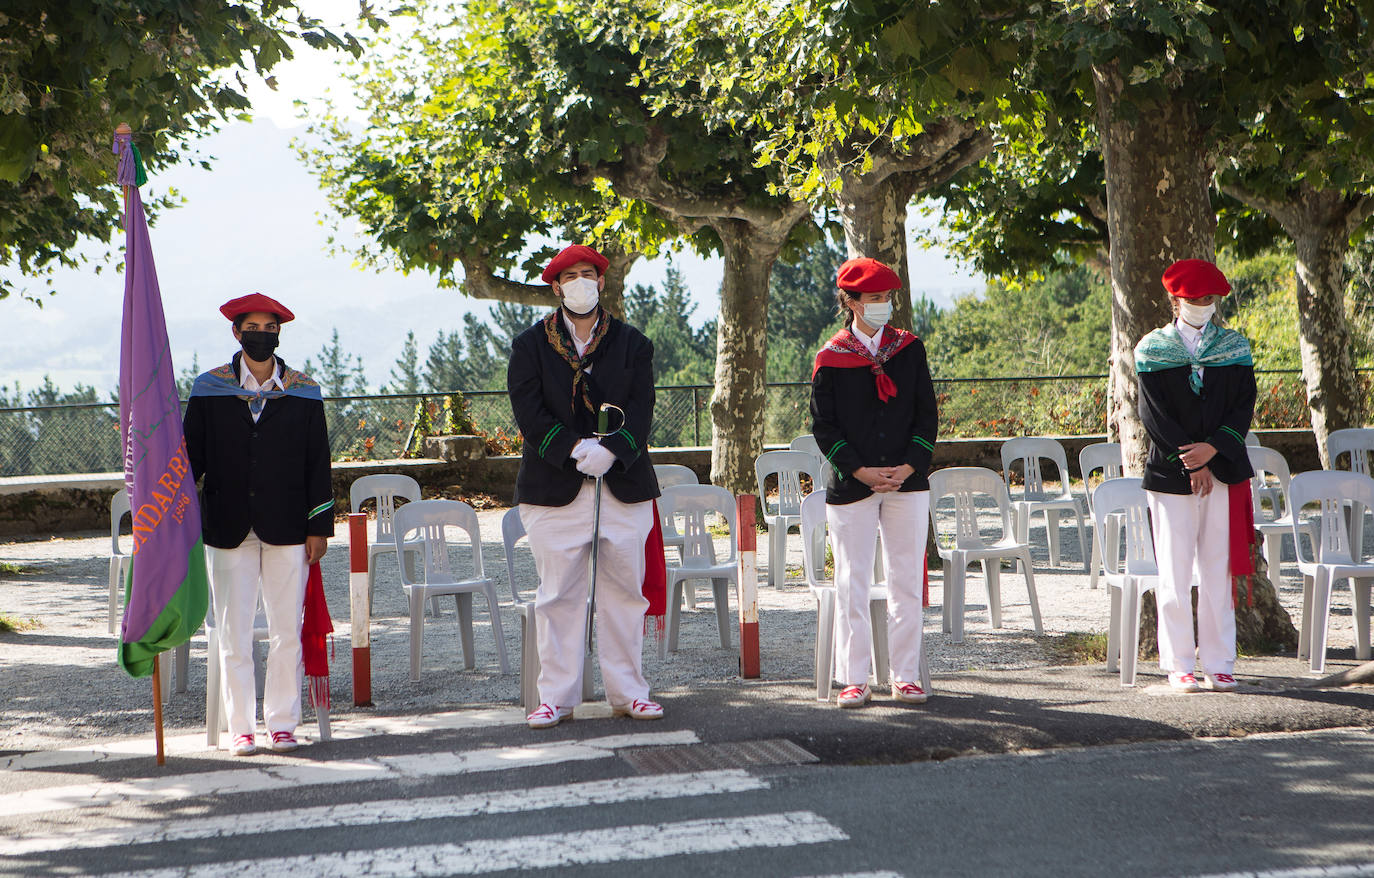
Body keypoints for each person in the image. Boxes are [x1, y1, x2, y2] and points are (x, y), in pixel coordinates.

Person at [507, 244, 664, 729]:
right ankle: (556, 697)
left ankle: (629, 691)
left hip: (623, 484)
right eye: (570, 276)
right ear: (555, 287)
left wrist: (614, 449)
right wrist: (575, 449)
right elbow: (529, 414)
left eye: (588, 274)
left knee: (623, 594)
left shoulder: (632, 343)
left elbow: (641, 409)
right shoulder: (529, 345)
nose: (580, 282)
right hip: (554, 487)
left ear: (601, 282)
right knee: (558, 597)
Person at [184, 293, 334, 755]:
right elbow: (189, 462)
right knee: (233, 634)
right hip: (228, 530)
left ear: (279, 334)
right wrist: (173, 520)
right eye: (253, 327)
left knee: (286, 629)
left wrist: (319, 528)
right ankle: (241, 727)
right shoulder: (209, 389)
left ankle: (283, 722)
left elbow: (317, 464)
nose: (262, 334)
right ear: (236, 332)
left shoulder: (304, 390)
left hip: (289, 529)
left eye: (270, 328)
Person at [810, 257, 939, 708]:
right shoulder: (830, 357)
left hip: (907, 481)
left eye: (887, 298)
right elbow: (824, 427)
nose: (883, 305)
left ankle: (905, 676)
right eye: (875, 299)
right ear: (851, 302)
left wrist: (909, 466)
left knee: (906, 581)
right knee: (852, 582)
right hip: (852, 486)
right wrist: (860, 470)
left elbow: (927, 414)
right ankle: (854, 678)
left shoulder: (909, 349)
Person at [1134, 258, 1257, 693]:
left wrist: (1214, 451)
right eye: (1194, 298)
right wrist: (1192, 460)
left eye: (1209, 299)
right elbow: (1153, 415)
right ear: (1175, 299)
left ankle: (1220, 660)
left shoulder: (1235, 348)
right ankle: (1179, 663)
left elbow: (1242, 406)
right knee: (1173, 569)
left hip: (1223, 471)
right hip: (1171, 475)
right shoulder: (1151, 349)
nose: (1202, 304)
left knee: (1217, 570)